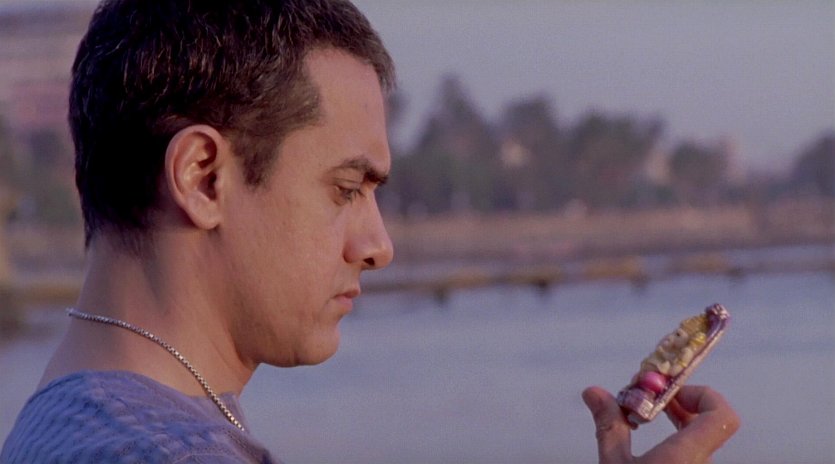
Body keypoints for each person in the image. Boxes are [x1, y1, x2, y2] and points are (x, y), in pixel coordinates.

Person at [0, 1, 739, 462]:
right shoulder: (165, 451)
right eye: (345, 189)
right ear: (203, 177)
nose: (378, 246)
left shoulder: (69, 417)